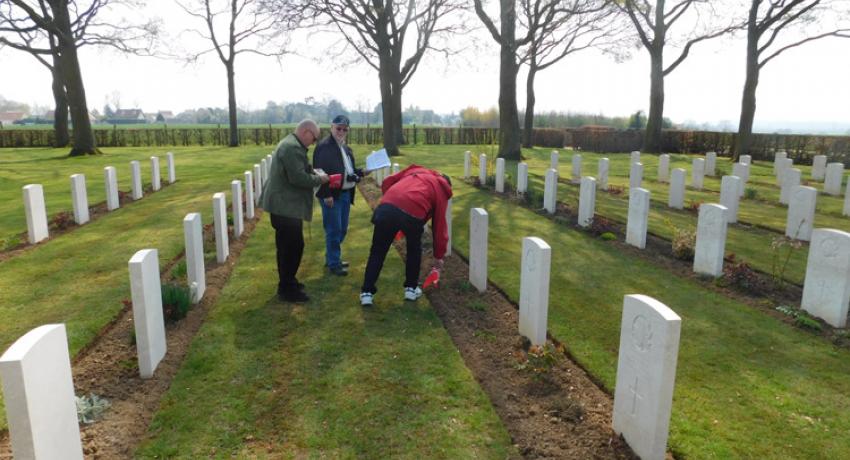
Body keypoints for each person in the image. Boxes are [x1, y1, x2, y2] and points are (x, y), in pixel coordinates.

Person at [359, 165, 453, 306]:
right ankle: (411, 288)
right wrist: (439, 256)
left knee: (377, 252)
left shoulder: (417, 171)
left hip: (387, 208)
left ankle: (366, 293)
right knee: (414, 251)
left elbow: (387, 182)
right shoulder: (440, 190)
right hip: (413, 214)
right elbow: (439, 226)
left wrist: (391, 203)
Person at [260, 119, 329, 302]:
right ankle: (287, 288)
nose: (313, 143)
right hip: (285, 207)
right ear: (306, 132)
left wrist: (313, 173)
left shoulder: (291, 143)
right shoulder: (292, 148)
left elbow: (298, 170)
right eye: (314, 138)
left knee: (286, 246)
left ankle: (288, 281)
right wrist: (320, 180)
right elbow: (298, 178)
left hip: (284, 206)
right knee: (292, 247)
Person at [312, 115, 365, 276]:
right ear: (331, 127)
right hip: (332, 195)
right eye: (338, 128)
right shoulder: (324, 147)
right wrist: (326, 194)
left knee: (342, 229)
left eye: (344, 129)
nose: (341, 131)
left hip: (345, 193)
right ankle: (333, 263)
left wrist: (362, 172)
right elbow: (319, 172)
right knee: (334, 229)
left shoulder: (345, 148)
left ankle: (332, 258)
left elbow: (349, 171)